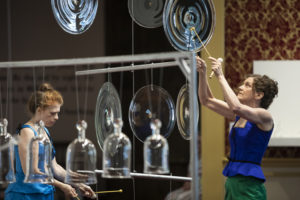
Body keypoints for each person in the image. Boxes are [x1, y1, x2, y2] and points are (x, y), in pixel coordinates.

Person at [196, 56, 278, 200]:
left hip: (250, 187)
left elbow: (236, 107)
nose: (240, 87)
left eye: (246, 85)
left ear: (258, 95)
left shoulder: (264, 116)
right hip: (232, 183)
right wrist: (202, 73)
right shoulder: (240, 115)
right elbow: (206, 100)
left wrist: (220, 75)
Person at [5, 83, 96, 200]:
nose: (57, 117)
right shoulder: (27, 132)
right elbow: (31, 172)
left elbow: (55, 167)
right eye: (53, 113)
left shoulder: (45, 131)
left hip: (45, 193)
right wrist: (62, 186)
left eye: (58, 113)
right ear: (39, 110)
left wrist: (78, 184)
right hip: (25, 195)